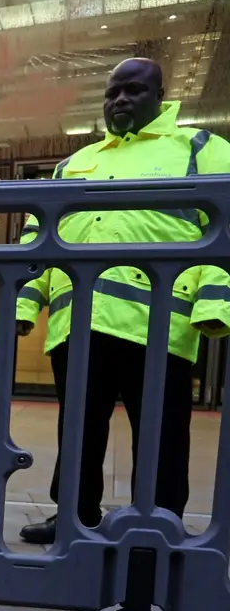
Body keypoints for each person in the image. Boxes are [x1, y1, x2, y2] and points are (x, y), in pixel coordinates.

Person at [15, 57, 230, 544]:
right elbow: (40, 236)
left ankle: (159, 522)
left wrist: (214, 304)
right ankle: (74, 516)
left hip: (157, 323)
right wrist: (26, 304)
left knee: (160, 431)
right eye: (112, 93)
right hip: (79, 321)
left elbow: (225, 227)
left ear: (160, 96)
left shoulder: (201, 148)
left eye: (133, 91)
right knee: (78, 430)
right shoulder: (75, 162)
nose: (120, 100)